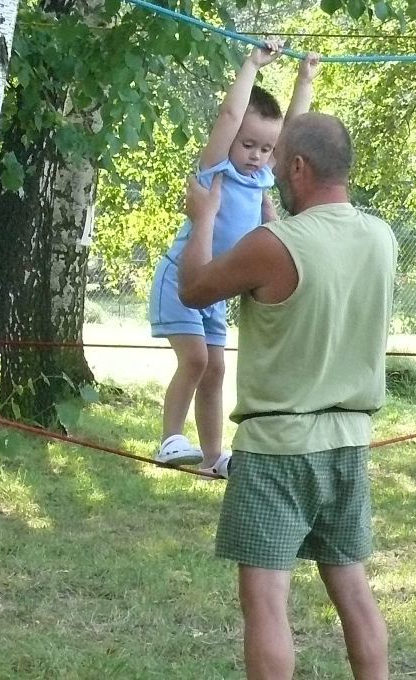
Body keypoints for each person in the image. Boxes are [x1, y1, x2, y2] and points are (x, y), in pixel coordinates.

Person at [177, 112, 394, 679]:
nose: (269, 172)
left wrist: (204, 219)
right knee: (352, 588)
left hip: (277, 449)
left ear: (298, 166)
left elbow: (194, 288)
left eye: (276, 164)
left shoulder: (273, 245)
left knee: (267, 602)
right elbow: (319, 265)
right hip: (349, 442)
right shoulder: (381, 237)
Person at [149, 41, 321, 476]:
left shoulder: (261, 177)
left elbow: (292, 131)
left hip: (214, 289)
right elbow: (229, 115)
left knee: (216, 369)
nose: (256, 155)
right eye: (247, 144)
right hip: (180, 280)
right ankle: (170, 440)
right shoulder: (216, 170)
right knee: (196, 361)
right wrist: (252, 64)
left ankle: (212, 458)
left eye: (265, 149)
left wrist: (305, 80)